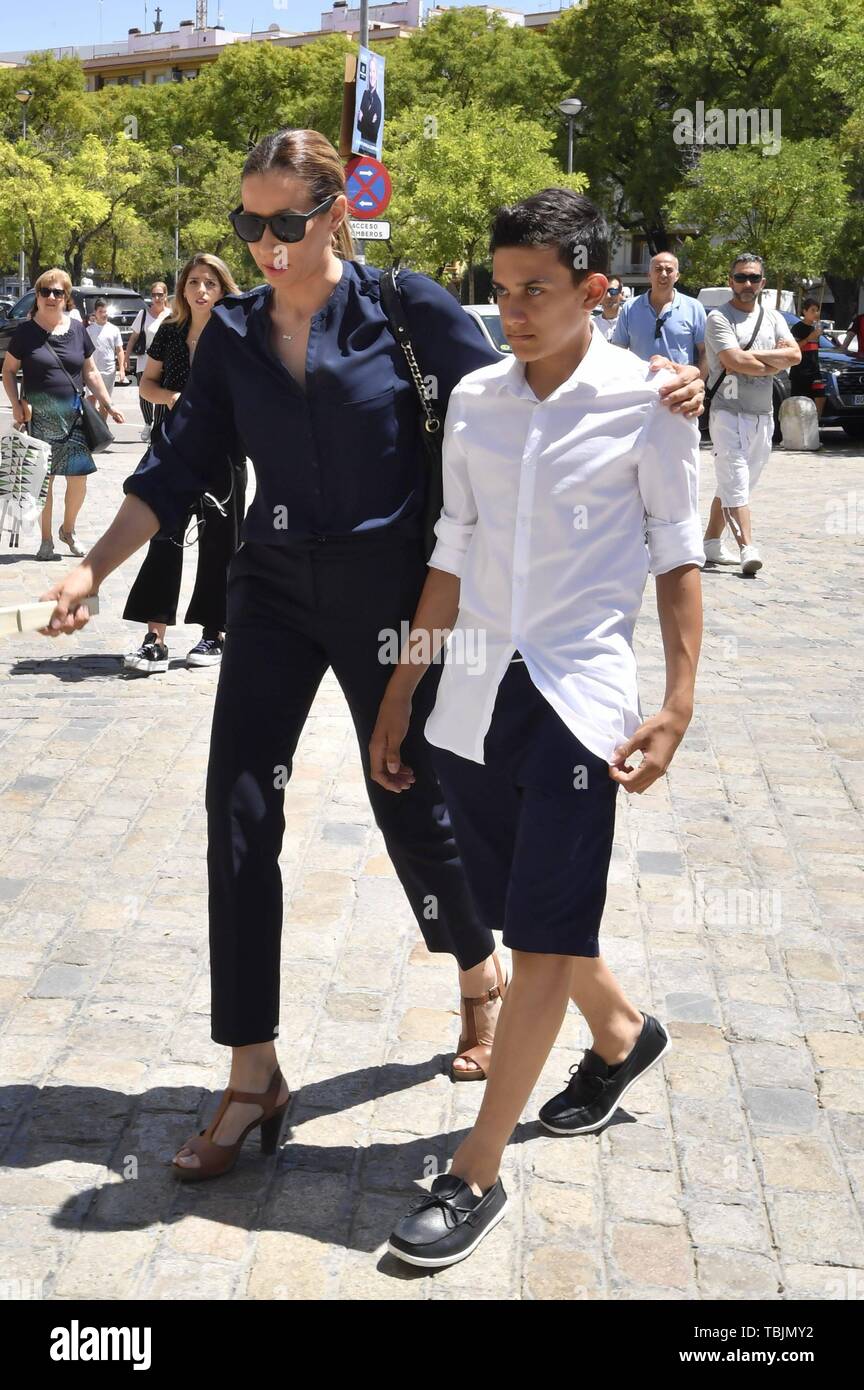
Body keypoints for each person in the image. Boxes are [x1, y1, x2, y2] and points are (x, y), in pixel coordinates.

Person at [37, 131, 705, 1183]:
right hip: (271, 593)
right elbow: (180, 467)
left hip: (394, 596)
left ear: (335, 212)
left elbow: (523, 402)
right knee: (238, 808)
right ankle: (252, 1069)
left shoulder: (406, 310)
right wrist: (93, 568)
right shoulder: (237, 333)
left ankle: (480, 970)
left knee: (413, 795)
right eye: (247, 224)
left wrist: (654, 385)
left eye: (285, 223)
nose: (264, 245)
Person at [370, 189, 705, 1268]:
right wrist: (400, 690)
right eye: (503, 290)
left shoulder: (651, 400)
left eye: (537, 291)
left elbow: (677, 552)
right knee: (523, 902)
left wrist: (678, 702)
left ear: (593, 290)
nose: (512, 310)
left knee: (544, 936)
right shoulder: (474, 398)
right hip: (471, 689)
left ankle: (476, 1171)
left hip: (580, 699)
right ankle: (621, 1034)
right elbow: (450, 552)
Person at [122, 254, 246, 674]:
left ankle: (214, 632)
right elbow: (147, 383)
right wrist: (171, 398)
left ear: (223, 288)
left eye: (210, 283)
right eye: (194, 282)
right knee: (164, 538)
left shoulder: (237, 334)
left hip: (223, 453)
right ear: (183, 289)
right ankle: (154, 637)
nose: (201, 291)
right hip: (173, 449)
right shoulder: (170, 332)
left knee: (219, 543)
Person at [0, 268, 124, 562]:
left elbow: (90, 371)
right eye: (45, 291)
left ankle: (68, 530)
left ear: (66, 297)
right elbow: (8, 370)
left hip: (73, 416)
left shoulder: (78, 329)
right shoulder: (25, 333)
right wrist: (16, 404)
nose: (52, 297)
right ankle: (46, 541)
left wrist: (108, 404)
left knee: (78, 479)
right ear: (38, 296)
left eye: (58, 292)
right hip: (38, 417)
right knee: (46, 481)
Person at [702, 254, 800, 575]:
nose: (747, 284)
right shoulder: (719, 318)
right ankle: (747, 547)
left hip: (762, 414)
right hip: (727, 413)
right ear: (730, 280)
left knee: (736, 484)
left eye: (753, 278)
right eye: (741, 277)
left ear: (763, 283)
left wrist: (751, 355)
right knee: (736, 480)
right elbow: (734, 360)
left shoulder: (772, 318)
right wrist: (772, 362)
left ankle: (712, 542)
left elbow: (795, 355)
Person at [612, 252, 707, 376]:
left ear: (677, 276)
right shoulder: (630, 308)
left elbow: (706, 351)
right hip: (638, 389)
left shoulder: (694, 308)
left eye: (669, 270)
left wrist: (698, 383)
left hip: (679, 389)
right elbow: (619, 349)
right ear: (649, 275)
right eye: (658, 269)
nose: (663, 274)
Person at [129, 283, 171, 442]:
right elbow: (133, 338)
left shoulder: (171, 315)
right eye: (154, 295)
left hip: (164, 362)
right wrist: (125, 359)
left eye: (160, 294)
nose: (157, 298)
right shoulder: (143, 314)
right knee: (144, 395)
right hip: (144, 360)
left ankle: (157, 428)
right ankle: (148, 422)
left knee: (160, 396)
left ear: (166, 295)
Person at [86, 299, 125, 420]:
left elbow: (119, 350)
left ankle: (102, 427)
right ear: (95, 313)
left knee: (105, 402)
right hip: (92, 371)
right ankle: (92, 427)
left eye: (105, 311)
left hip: (108, 370)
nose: (104, 314)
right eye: (101, 311)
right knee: (91, 400)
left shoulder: (114, 329)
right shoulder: (89, 330)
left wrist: (122, 368)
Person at [789, 297, 825, 421]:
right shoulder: (797, 328)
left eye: (817, 310)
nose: (816, 313)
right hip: (800, 371)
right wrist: (809, 338)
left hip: (814, 370)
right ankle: (800, 428)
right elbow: (793, 348)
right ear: (804, 311)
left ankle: (816, 423)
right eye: (813, 310)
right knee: (800, 402)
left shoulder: (815, 328)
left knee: (820, 394)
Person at [356, 54, 382, 150]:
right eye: (370, 71)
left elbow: (374, 131)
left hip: (371, 153)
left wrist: (363, 119)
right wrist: (368, 122)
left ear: (377, 74)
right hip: (360, 150)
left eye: (374, 71)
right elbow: (358, 126)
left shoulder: (378, 102)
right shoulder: (365, 94)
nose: (371, 75)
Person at [591, 272, 624, 339]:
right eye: (604, 292)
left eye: (613, 291)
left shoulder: (629, 322)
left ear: (621, 295)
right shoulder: (592, 326)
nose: (608, 296)